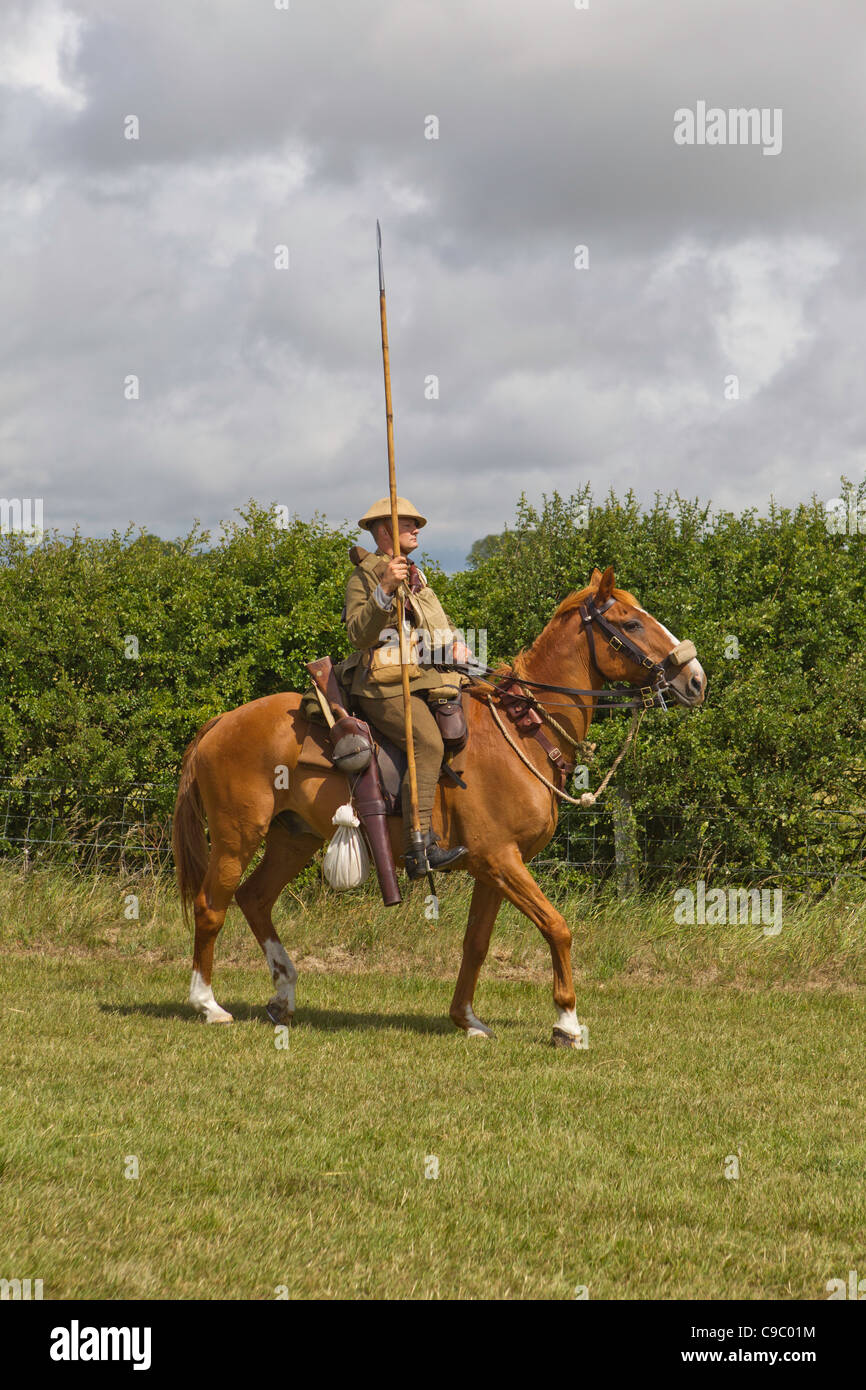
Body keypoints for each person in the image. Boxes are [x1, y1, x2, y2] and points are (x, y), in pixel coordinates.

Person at [342, 496, 470, 879]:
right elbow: (357, 635)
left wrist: (455, 643)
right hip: (383, 684)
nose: (417, 529)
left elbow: (432, 630)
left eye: (416, 524)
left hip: (423, 675)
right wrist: (383, 589)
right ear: (385, 532)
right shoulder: (363, 578)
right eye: (408, 524)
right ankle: (419, 845)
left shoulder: (417, 576)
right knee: (428, 742)